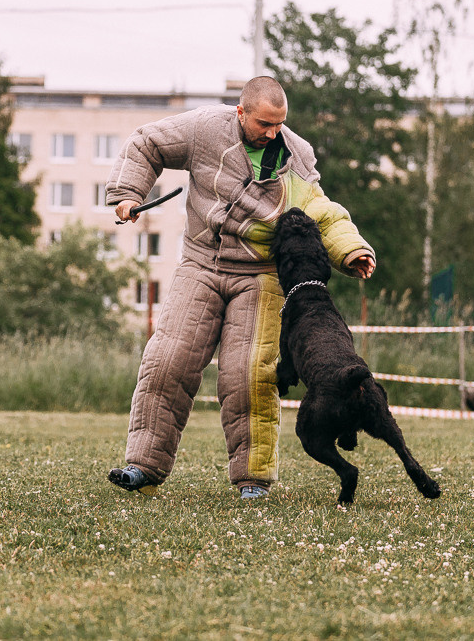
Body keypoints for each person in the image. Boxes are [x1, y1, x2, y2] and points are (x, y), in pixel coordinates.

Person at [104, 76, 376, 499]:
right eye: (265, 124)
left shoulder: (297, 155)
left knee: (249, 373)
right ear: (241, 112)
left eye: (279, 124)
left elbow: (322, 212)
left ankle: (253, 479)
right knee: (168, 359)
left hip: (260, 274)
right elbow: (146, 143)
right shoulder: (204, 129)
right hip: (200, 262)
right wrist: (127, 193)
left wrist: (351, 250)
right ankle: (143, 466)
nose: (273, 133)